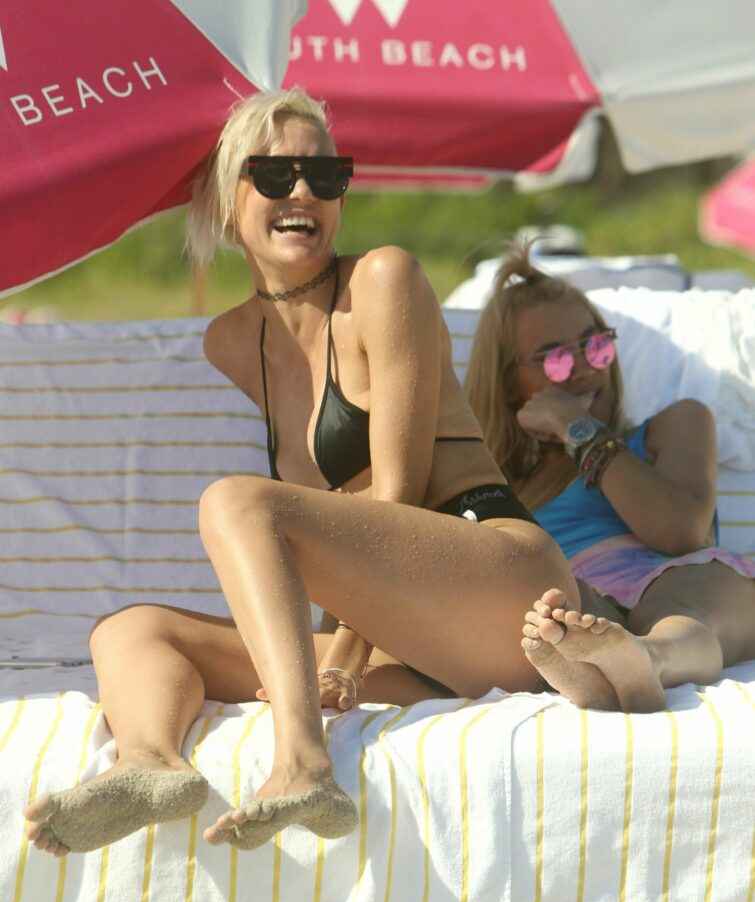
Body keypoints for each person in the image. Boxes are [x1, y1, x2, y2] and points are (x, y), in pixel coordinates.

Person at [23, 90, 578, 858]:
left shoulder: (383, 280)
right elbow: (336, 525)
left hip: (502, 588)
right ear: (227, 198)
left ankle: (301, 761)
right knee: (130, 629)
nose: (304, 193)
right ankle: (148, 762)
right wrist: (340, 656)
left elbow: (396, 498)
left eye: (325, 174)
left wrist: (343, 658)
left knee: (236, 503)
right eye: (276, 175)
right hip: (409, 644)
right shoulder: (232, 342)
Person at [465, 243, 755, 714]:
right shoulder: (495, 483)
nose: (584, 369)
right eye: (556, 359)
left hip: (678, 584)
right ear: (508, 383)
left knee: (690, 607)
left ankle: (643, 660)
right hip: (579, 601)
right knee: (553, 609)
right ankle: (601, 663)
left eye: (596, 345)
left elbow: (679, 531)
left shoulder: (675, 424)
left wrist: (577, 428)